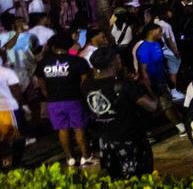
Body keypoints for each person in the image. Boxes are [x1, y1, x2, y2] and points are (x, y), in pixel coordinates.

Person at [83, 47, 157, 179]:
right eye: (118, 59)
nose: (121, 61)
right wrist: (148, 87)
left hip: (105, 142)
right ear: (113, 63)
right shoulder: (124, 85)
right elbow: (151, 106)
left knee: (116, 179)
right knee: (139, 179)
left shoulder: (87, 85)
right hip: (130, 140)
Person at [35, 34, 92, 166]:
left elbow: (40, 82)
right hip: (74, 99)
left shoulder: (44, 63)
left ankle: (69, 158)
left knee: (62, 129)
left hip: (54, 101)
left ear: (53, 47)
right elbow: (86, 79)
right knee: (79, 128)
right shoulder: (78, 61)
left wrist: (48, 94)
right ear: (69, 45)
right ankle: (85, 156)